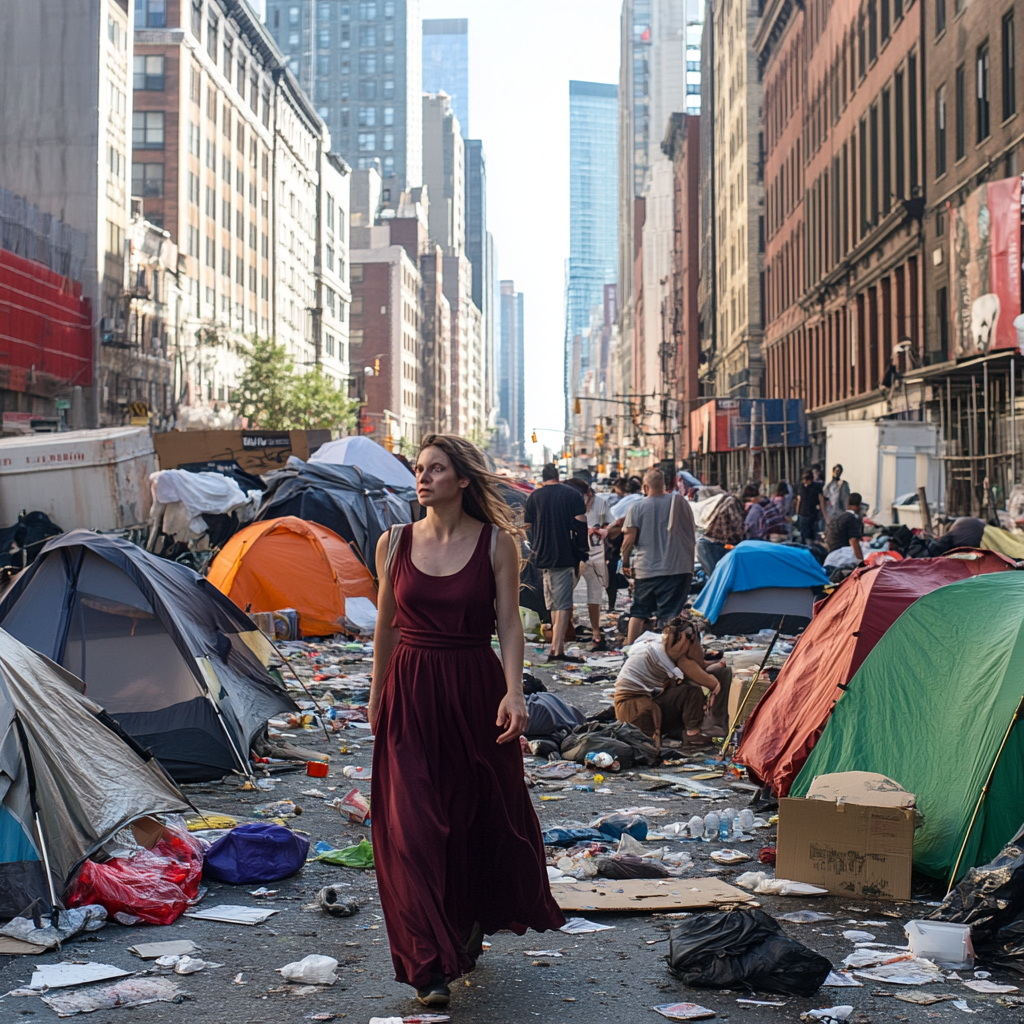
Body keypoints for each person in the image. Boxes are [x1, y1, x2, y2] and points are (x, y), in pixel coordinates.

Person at [369, 435, 564, 1007]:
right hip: (410, 691)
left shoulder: (496, 544)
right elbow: (386, 626)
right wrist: (376, 693)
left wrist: (514, 694)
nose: (422, 477)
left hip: (474, 692)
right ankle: (426, 965)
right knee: (412, 829)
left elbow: (509, 623)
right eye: (419, 469)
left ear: (462, 480)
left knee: (475, 819)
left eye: (435, 469)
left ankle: (468, 920)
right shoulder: (393, 542)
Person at [613, 617, 729, 752]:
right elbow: (709, 682)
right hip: (636, 710)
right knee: (691, 691)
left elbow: (693, 669)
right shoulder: (672, 655)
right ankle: (693, 734)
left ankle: (681, 731)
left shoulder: (655, 644)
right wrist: (716, 680)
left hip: (629, 708)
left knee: (680, 690)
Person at [621, 467, 696, 644]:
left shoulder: (637, 507)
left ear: (645, 486)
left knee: (638, 613)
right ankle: (666, 652)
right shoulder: (679, 502)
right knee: (670, 616)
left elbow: (628, 540)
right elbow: (691, 532)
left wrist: (624, 561)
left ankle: (630, 651)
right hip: (678, 568)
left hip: (646, 569)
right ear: (665, 484)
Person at [523, 464, 587, 662]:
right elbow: (581, 521)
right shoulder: (572, 494)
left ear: (543, 477)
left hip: (541, 557)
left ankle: (555, 646)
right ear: (558, 476)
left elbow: (528, 525)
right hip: (563, 555)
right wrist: (582, 550)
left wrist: (535, 544)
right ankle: (557, 650)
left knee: (553, 604)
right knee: (564, 605)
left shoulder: (534, 497)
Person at [565, 477, 612, 650]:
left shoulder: (600, 503)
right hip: (574, 555)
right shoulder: (568, 502)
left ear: (588, 493)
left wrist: (604, 531)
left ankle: (596, 633)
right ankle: (566, 631)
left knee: (595, 595)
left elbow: (612, 523)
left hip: (596, 555)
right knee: (566, 594)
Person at [697, 492, 746, 576]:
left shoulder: (724, 501)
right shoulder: (732, 502)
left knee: (717, 573)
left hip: (713, 540)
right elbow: (738, 526)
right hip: (725, 542)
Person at [824, 491, 865, 563]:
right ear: (857, 506)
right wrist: (861, 562)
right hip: (842, 556)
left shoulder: (838, 516)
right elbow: (853, 541)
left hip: (831, 556)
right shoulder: (852, 518)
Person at [793, 469, 823, 542]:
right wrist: (797, 513)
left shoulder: (816, 487)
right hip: (803, 514)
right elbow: (798, 501)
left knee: (811, 535)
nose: (805, 482)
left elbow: (821, 500)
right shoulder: (801, 487)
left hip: (812, 514)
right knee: (803, 535)